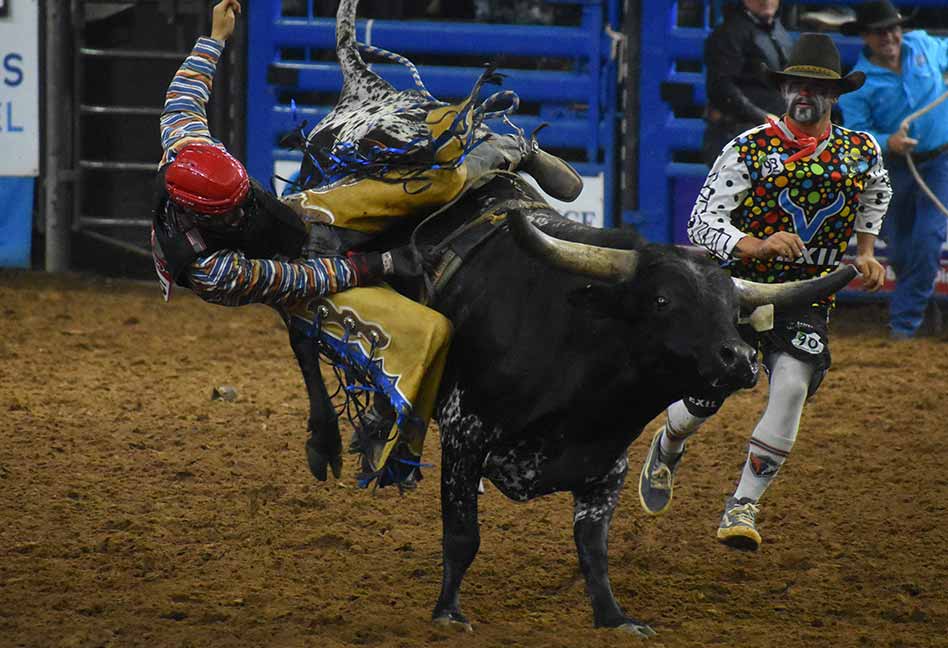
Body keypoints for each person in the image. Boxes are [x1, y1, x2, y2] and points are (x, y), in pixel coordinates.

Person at [152, 0, 580, 488]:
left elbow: (184, 94)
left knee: (432, 181)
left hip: (299, 213)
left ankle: (512, 147)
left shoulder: (188, 147)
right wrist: (379, 264)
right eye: (230, 209)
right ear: (203, 214)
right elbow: (299, 280)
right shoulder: (210, 269)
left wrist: (215, 37)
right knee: (425, 333)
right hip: (294, 279)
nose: (241, 205)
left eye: (241, 194)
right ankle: (404, 437)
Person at [637, 33, 890, 550]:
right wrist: (754, 242)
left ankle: (743, 505)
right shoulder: (749, 147)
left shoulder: (860, 150)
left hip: (804, 295)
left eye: (817, 88)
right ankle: (667, 444)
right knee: (709, 394)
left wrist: (866, 249)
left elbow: (875, 191)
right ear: (785, 89)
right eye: (797, 84)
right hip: (736, 292)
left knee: (792, 383)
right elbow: (704, 222)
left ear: (834, 97)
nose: (805, 95)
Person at [838, 0, 948, 339]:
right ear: (866, 37)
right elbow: (859, 133)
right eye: (879, 31)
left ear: (901, 29)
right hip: (892, 169)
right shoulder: (858, 83)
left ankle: (904, 325)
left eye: (893, 28)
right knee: (900, 249)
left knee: (927, 239)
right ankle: (921, 305)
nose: (889, 36)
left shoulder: (925, 45)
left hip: (940, 161)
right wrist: (888, 142)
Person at [702, 0, 793, 166]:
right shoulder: (729, 33)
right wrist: (761, 117)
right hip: (739, 137)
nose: (766, 1)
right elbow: (721, 87)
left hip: (775, 138)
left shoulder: (777, 30)